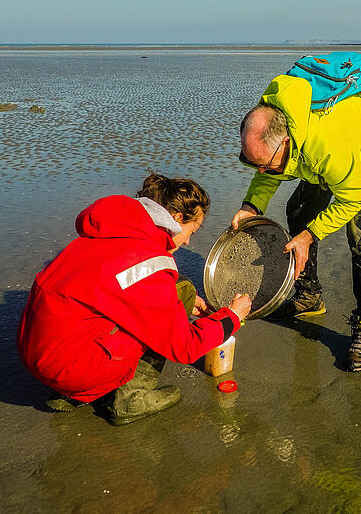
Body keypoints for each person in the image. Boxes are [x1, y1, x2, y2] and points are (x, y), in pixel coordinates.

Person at [17, 173, 252, 425]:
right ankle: (130, 398)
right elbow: (184, 347)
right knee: (176, 297)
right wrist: (231, 317)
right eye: (192, 231)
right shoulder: (149, 262)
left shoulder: (106, 232)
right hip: (69, 370)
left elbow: (114, 284)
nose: (187, 241)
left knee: (177, 289)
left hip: (38, 355)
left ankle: (68, 394)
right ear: (177, 219)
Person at [233, 71, 361, 372]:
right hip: (340, 146)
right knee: (299, 209)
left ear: (286, 143)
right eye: (252, 163)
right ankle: (309, 296)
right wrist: (251, 206)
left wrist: (310, 235)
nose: (259, 171)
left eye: (263, 164)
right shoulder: (276, 122)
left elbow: (352, 196)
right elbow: (268, 170)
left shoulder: (323, 149)